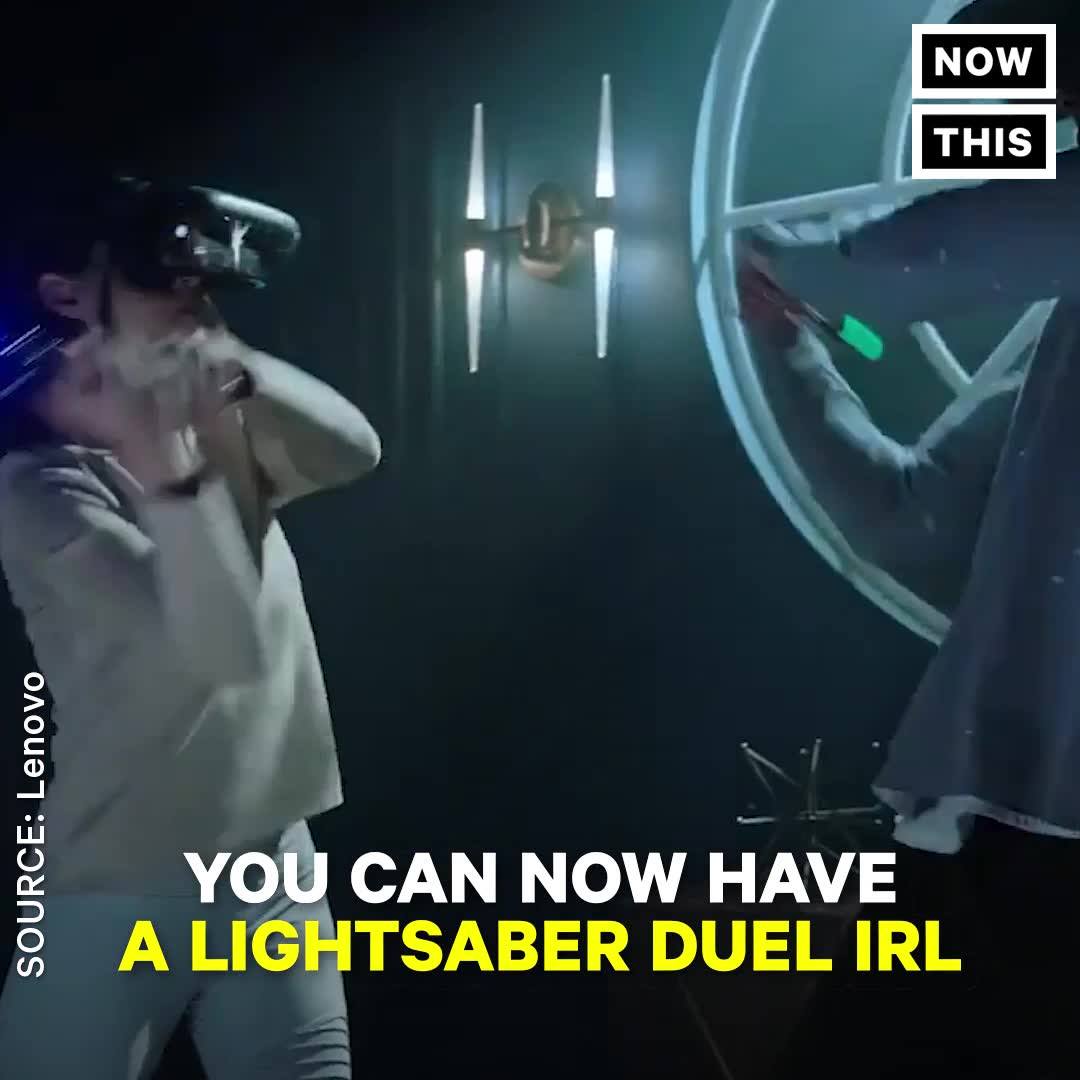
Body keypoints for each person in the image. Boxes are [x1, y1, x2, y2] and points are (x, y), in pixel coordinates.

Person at [737, 2, 1080, 1076]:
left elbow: (914, 252)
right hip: (1000, 825)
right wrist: (790, 341)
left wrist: (795, 262)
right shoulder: (1058, 349)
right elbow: (908, 514)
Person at [0, 171, 380, 1078]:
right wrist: (163, 456)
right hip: (114, 884)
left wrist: (225, 365)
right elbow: (203, 646)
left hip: (269, 860)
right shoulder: (34, 486)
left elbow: (354, 450)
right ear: (64, 294)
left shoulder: (213, 420)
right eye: (154, 272)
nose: (190, 291)